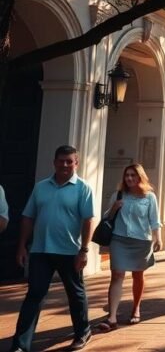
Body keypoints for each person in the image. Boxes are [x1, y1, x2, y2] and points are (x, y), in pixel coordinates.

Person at [11, 145, 95, 352]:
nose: (65, 165)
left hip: (70, 251)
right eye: (61, 161)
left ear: (76, 163)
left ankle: (83, 332)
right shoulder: (41, 187)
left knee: (75, 294)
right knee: (35, 294)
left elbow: (88, 220)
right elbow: (28, 217)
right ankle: (21, 344)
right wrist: (22, 246)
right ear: (54, 162)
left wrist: (84, 250)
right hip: (41, 250)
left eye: (69, 161)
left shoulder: (83, 188)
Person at [94, 164, 161, 332]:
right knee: (117, 275)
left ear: (140, 177)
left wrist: (157, 238)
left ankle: (136, 308)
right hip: (119, 239)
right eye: (127, 175)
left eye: (133, 175)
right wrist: (114, 208)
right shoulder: (118, 195)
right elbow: (106, 217)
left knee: (138, 275)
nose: (129, 178)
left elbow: (154, 220)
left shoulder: (149, 197)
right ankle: (112, 317)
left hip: (141, 241)